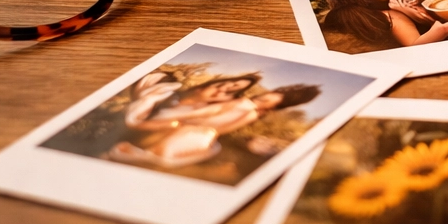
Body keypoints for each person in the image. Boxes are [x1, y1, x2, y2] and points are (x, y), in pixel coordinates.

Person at [107, 74, 320, 169]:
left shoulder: (247, 108)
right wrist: (197, 123)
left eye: (266, 101)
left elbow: (217, 118)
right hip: (201, 129)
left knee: (176, 132)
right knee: (170, 129)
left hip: (200, 129)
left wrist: (195, 122)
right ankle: (138, 136)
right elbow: (218, 118)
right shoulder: (249, 109)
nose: (261, 99)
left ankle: (140, 142)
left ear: (271, 106)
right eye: (264, 97)